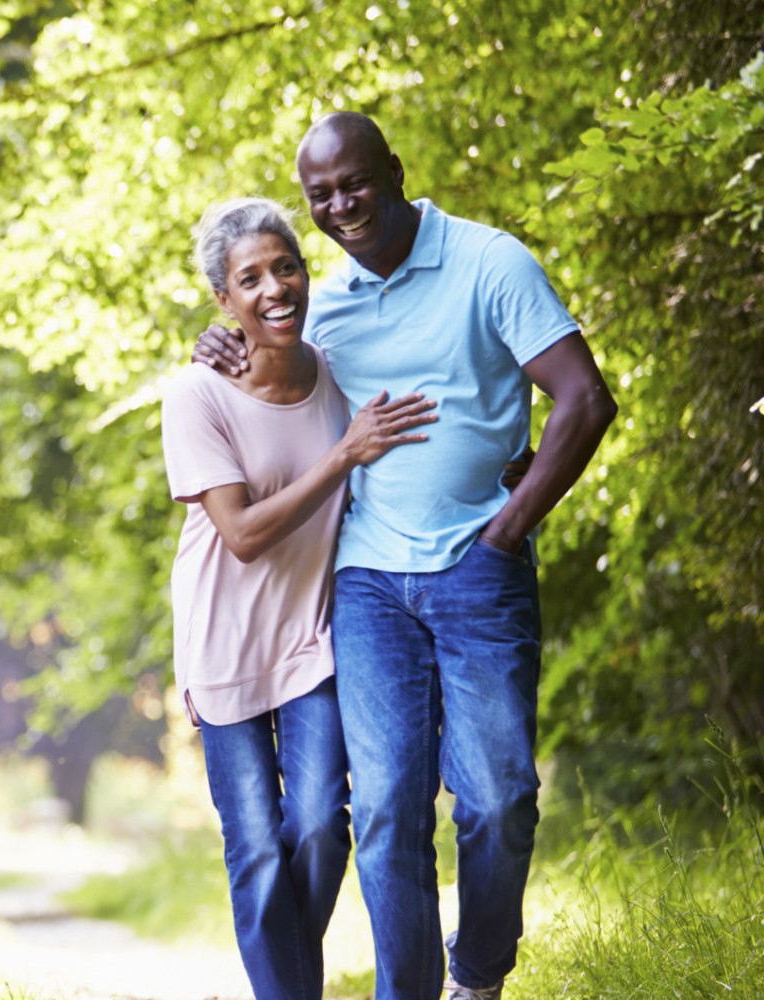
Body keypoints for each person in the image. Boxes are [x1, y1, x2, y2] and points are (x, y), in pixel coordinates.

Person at [193, 113, 618, 1000]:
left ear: (393, 169)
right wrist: (215, 343)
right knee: (385, 811)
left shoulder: (488, 261)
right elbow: (264, 368)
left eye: (355, 183)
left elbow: (584, 400)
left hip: (480, 570)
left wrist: (508, 529)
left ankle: (478, 976)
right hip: (369, 581)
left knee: (499, 798)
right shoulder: (325, 304)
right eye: (322, 196)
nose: (342, 205)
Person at [161, 197, 438, 1000]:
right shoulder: (197, 394)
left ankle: (282, 976)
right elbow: (242, 533)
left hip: (312, 638)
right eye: (249, 278)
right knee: (253, 842)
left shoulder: (335, 371)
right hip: (222, 641)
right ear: (223, 299)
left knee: (319, 825)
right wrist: (343, 457)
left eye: (286, 267)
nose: (274, 287)